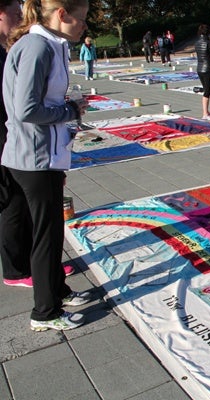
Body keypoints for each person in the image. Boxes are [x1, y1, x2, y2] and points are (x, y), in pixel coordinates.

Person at [2, 0, 92, 331]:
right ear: (61, 15)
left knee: (51, 230)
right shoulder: (38, 46)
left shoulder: (44, 44)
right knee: (46, 235)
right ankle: (45, 312)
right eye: (80, 19)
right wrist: (69, 111)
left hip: (42, 156)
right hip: (34, 158)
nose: (84, 26)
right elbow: (26, 109)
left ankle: (58, 290)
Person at [194, 24, 210, 121]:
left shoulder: (196, 43)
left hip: (199, 68)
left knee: (206, 90)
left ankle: (206, 111)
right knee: (207, 91)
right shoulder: (209, 43)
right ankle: (205, 113)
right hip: (208, 68)